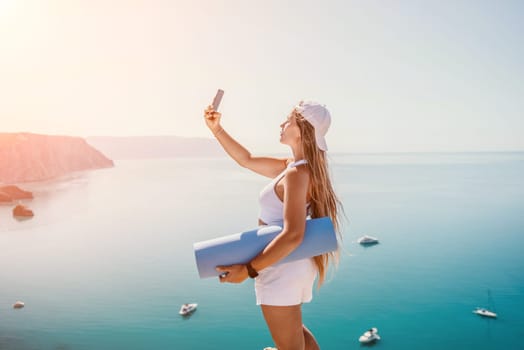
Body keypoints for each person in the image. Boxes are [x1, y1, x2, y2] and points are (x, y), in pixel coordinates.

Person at [204, 100, 343, 350]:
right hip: (289, 265)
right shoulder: (294, 168)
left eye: (287, 120)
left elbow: (293, 235)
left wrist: (248, 270)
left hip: (282, 267)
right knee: (296, 335)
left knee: (290, 345)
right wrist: (217, 129)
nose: (281, 124)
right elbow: (246, 159)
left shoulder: (297, 174)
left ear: (301, 129)